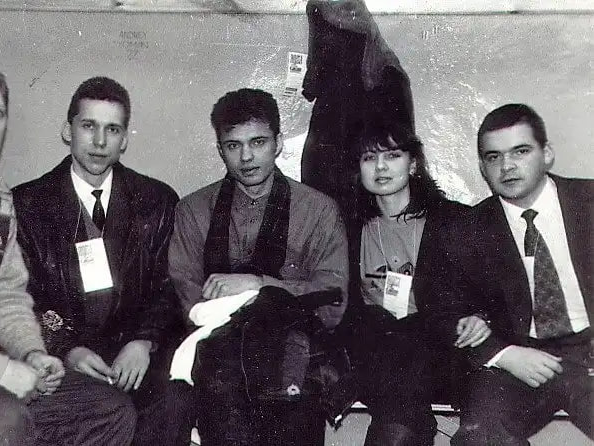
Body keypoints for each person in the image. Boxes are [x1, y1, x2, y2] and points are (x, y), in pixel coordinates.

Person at [0, 60, 136, 445]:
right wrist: (4, 372)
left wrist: (33, 353)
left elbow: (8, 297)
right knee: (6, 417)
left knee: (109, 409)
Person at [13, 76, 191, 445]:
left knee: (174, 401)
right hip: (64, 355)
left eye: (112, 129)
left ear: (124, 139)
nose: (99, 142)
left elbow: (170, 287)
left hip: (134, 353)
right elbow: (21, 297)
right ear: (68, 131)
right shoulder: (27, 204)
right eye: (88, 126)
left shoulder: (156, 200)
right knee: (106, 411)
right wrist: (67, 349)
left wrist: (143, 342)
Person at [168, 88, 349, 446]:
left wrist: (258, 286)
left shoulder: (319, 210)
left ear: (278, 143)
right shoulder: (193, 211)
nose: (246, 157)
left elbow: (332, 301)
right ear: (220, 149)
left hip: (293, 358)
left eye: (258, 142)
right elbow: (187, 299)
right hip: (218, 361)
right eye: (233, 145)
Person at [428, 103, 593, 445]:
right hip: (517, 359)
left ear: (547, 154)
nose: (507, 166)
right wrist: (503, 354)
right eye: (494, 157)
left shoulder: (589, 203)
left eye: (520, 151)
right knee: (482, 437)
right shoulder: (465, 230)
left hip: (589, 351)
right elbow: (441, 310)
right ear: (482, 168)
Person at [333, 122, 490, 445]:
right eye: (368, 158)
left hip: (440, 354)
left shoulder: (452, 220)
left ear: (413, 164)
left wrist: (481, 316)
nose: (380, 167)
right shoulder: (348, 228)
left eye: (392, 155)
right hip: (376, 352)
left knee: (405, 355)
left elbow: (494, 289)